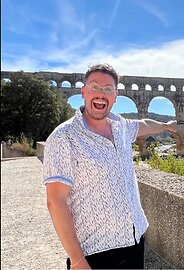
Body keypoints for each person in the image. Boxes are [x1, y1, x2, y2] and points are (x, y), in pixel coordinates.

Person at [43, 63, 176, 269]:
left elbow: (143, 124)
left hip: (134, 241)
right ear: (83, 92)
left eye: (108, 89)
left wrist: (165, 126)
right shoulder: (64, 137)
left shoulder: (121, 127)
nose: (101, 94)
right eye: (94, 87)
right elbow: (55, 201)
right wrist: (77, 260)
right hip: (95, 253)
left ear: (115, 96)